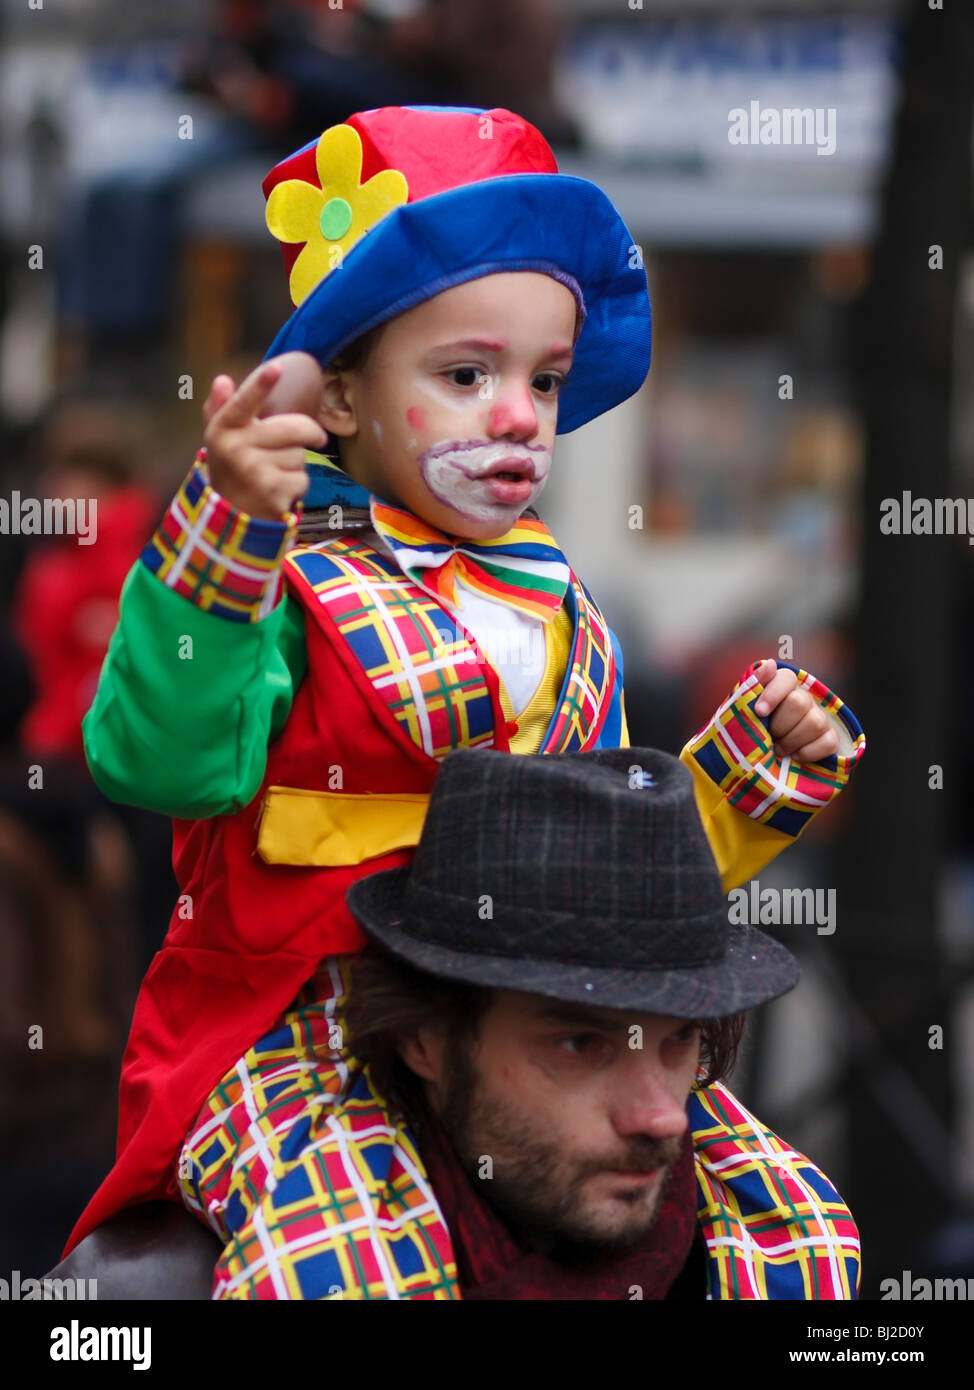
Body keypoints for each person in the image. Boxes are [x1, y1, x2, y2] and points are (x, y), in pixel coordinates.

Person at [63, 106, 865, 1285]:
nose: (514, 418)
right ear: (336, 402)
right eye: (464, 373)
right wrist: (222, 544)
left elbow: (594, 885)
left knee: (788, 1233)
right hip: (316, 1031)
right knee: (344, 1272)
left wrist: (743, 776)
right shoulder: (282, 571)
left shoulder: (554, 598)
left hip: (540, 1035)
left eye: (541, 381)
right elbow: (163, 761)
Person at [48, 746, 860, 1299]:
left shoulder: (777, 1254)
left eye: (679, 1037)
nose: (659, 1116)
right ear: (425, 1037)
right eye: (579, 1042)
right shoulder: (155, 1289)